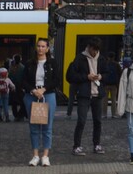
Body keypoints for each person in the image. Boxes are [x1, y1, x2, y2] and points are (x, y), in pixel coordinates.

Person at [21, 38, 60, 166]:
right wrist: (33, 90)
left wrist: (44, 89)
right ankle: (35, 155)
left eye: (43, 46)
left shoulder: (52, 63)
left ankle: (45, 156)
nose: (40, 49)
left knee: (47, 126)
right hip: (32, 95)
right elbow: (23, 81)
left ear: (47, 48)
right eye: (38, 46)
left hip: (47, 95)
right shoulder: (29, 63)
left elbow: (56, 80)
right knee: (33, 126)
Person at [66, 38, 106, 155]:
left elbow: (109, 74)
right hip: (84, 95)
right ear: (88, 47)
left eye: (96, 50)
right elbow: (70, 76)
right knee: (81, 120)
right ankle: (76, 146)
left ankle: (97, 144)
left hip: (97, 95)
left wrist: (100, 76)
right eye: (92, 49)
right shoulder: (80, 58)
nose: (94, 53)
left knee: (98, 121)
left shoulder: (102, 59)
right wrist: (86, 77)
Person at [7, 54, 26, 120]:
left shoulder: (12, 67)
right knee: (22, 102)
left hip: (14, 86)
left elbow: (9, 76)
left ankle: (17, 115)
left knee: (14, 102)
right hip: (19, 87)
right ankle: (20, 115)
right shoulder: (22, 67)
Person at [104, 52, 122, 119]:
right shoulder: (117, 64)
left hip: (106, 85)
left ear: (108, 57)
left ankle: (104, 114)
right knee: (113, 100)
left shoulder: (105, 64)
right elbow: (120, 73)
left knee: (104, 100)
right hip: (114, 85)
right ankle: (114, 114)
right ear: (114, 57)